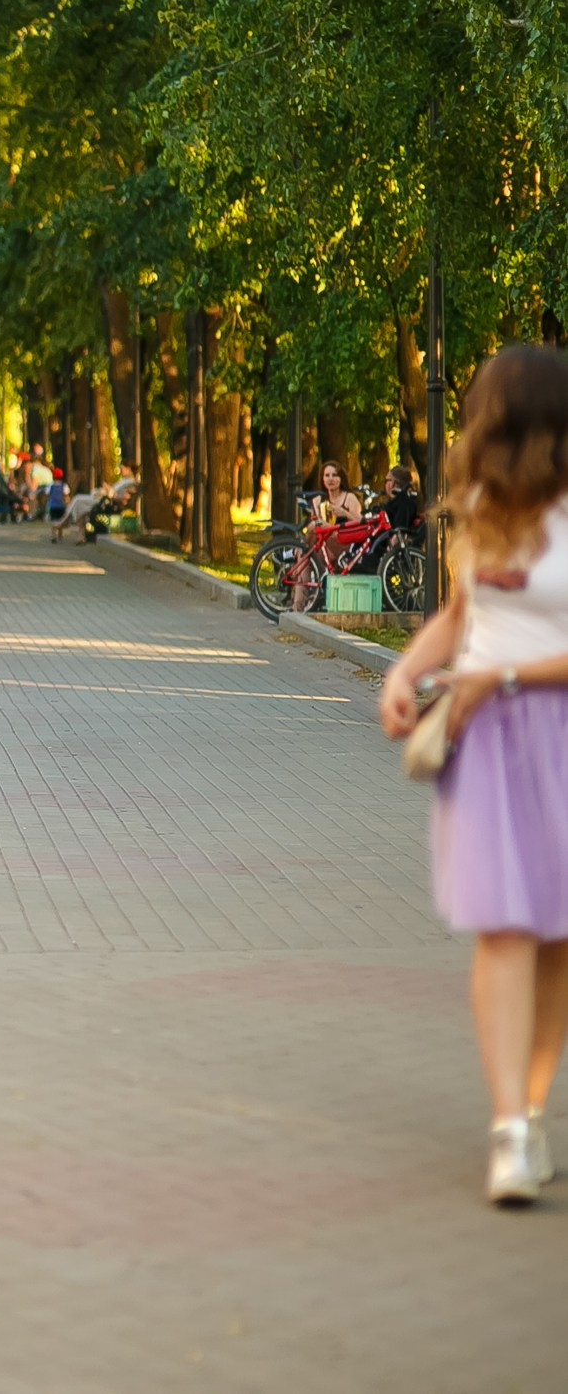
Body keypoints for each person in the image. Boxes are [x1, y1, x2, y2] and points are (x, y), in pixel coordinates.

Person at [380, 344, 568, 1205]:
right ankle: (509, 1132)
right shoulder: (479, 509)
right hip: (487, 740)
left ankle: (530, 1113)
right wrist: (398, 674)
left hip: (553, 728)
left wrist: (510, 677)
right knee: (504, 926)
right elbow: (459, 618)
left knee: (557, 937)